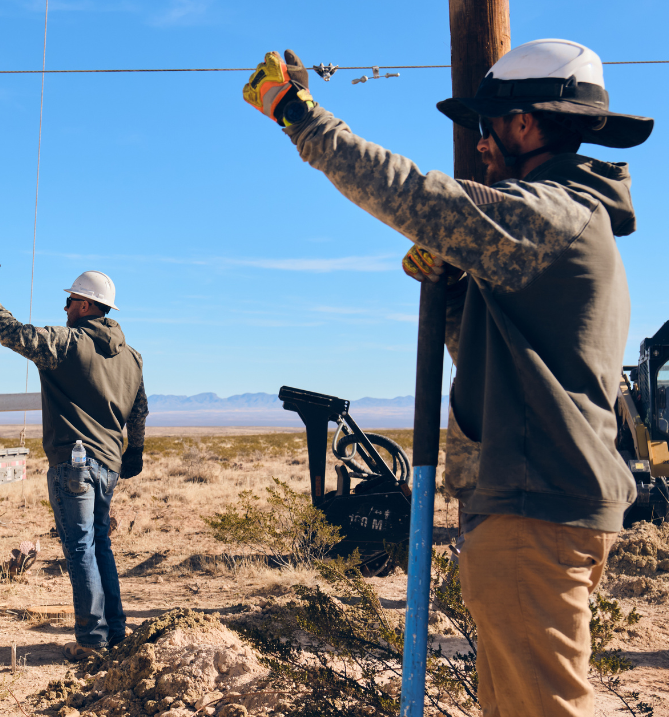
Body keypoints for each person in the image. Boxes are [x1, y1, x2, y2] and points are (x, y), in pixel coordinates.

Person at [243, 39, 651, 717]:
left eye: (485, 125)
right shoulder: (559, 224)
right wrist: (458, 292)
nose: (480, 144)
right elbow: (501, 368)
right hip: (530, 503)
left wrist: (298, 115)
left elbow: (415, 196)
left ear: (525, 123)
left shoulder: (548, 216)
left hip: (535, 508)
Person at [0, 262, 148, 661]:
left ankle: (91, 640)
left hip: (75, 465)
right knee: (100, 545)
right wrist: (133, 451)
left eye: (69, 301)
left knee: (81, 548)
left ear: (85, 305)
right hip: (108, 467)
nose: (64, 308)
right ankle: (114, 631)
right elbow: (140, 411)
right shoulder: (133, 358)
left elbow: (12, 334)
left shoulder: (68, 343)